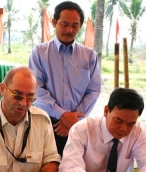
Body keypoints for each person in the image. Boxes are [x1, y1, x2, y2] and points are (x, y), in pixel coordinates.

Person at [29, 1, 101, 156]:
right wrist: (62, 115)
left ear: (80, 26)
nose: (69, 30)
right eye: (64, 24)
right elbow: (37, 89)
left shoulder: (89, 56)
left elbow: (93, 91)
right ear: (55, 22)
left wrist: (73, 119)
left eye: (75, 25)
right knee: (44, 171)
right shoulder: (39, 53)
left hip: (78, 124)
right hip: (47, 122)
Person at [59, 87, 146, 172]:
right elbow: (68, 169)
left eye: (131, 124)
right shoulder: (82, 129)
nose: (124, 129)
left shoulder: (139, 132)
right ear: (106, 111)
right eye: (118, 121)